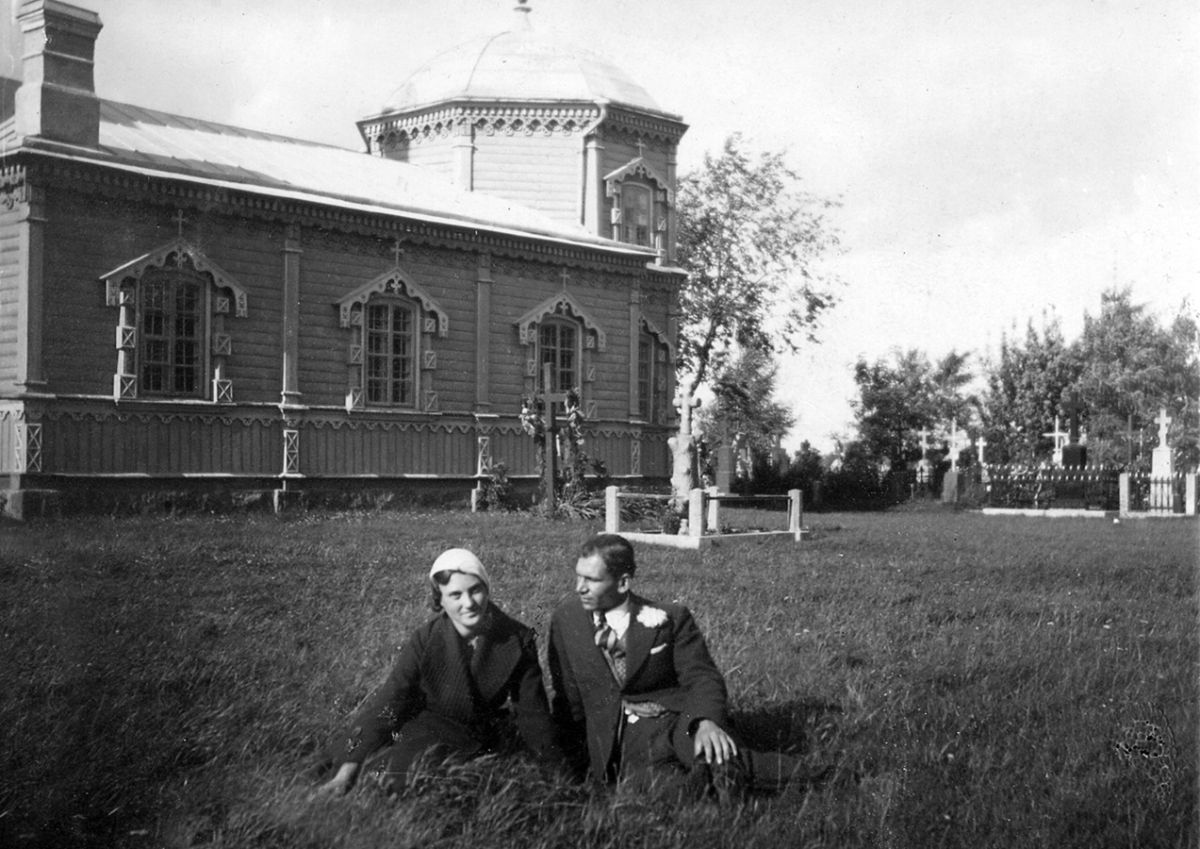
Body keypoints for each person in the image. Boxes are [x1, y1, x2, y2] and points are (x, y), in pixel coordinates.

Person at [548, 533, 810, 798]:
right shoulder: (567, 619)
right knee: (660, 788)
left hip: (678, 720)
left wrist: (706, 721)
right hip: (627, 738)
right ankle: (710, 781)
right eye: (578, 576)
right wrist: (571, 758)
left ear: (623, 582)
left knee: (715, 750)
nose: (579, 587)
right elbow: (569, 695)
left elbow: (702, 677)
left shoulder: (670, 618)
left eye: (591, 580)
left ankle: (827, 775)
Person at [317, 548, 563, 795]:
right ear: (440, 600)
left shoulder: (517, 638)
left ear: (487, 589)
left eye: (476, 590)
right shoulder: (425, 639)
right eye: (455, 595)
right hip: (427, 726)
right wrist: (347, 770)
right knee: (358, 770)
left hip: (476, 735)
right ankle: (351, 768)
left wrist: (557, 775)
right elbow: (391, 701)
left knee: (398, 781)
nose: (468, 603)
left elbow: (533, 714)